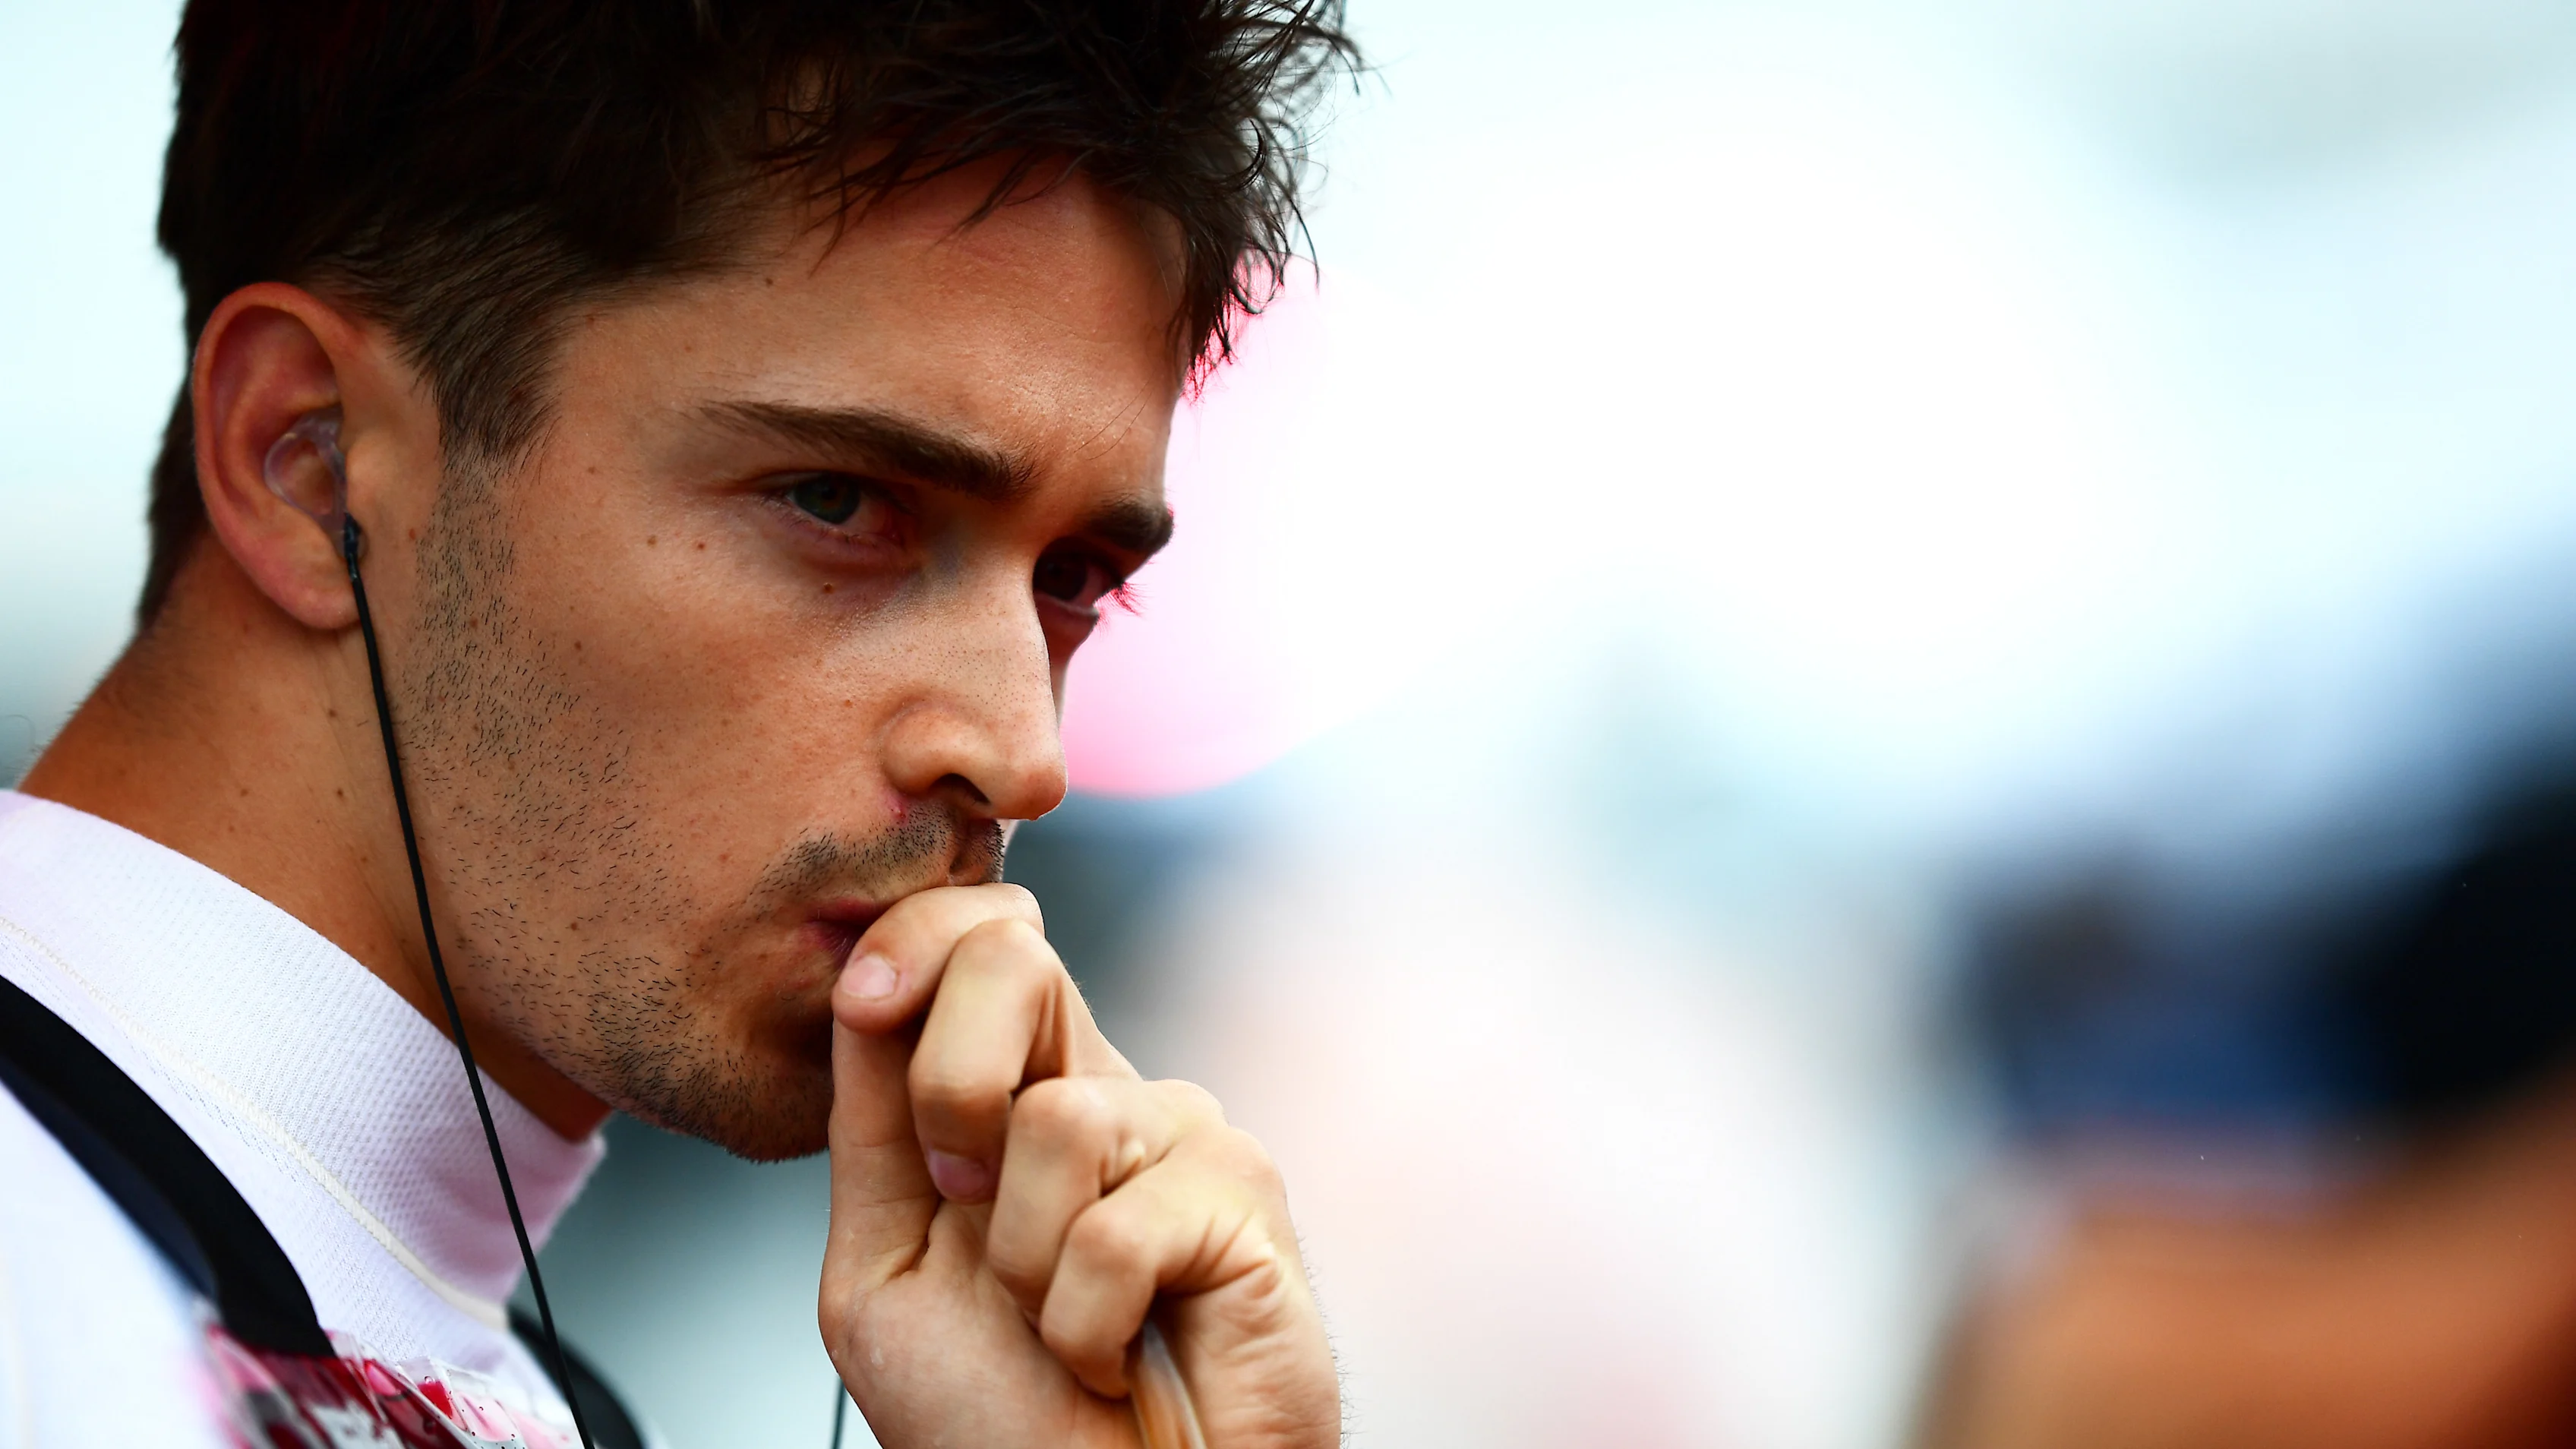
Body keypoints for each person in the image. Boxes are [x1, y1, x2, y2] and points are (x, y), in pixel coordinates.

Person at [0, 2, 1353, 1445]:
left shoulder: (490, 1363)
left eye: (1075, 582)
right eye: (839, 502)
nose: (1024, 754)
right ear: (310, 463)